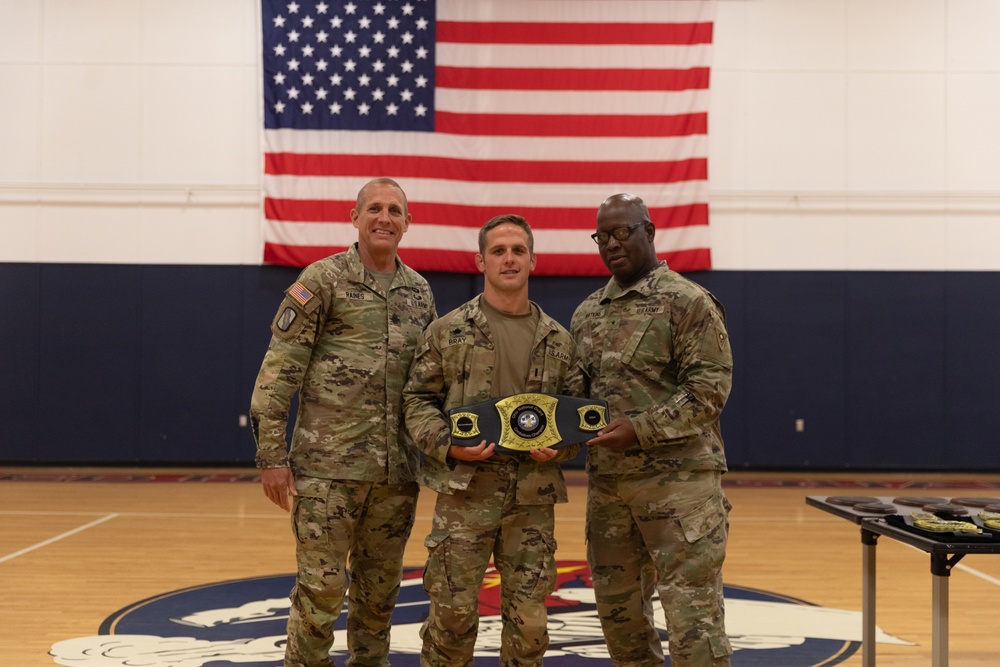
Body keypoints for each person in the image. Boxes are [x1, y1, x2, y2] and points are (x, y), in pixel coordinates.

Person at [249, 177, 437, 667]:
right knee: (322, 592)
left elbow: (431, 382)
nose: (385, 218)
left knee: (379, 598)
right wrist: (272, 458)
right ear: (354, 218)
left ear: (407, 224)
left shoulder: (419, 292)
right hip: (328, 471)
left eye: (395, 211)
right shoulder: (321, 279)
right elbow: (277, 373)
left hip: (396, 476)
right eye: (374, 208)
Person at [402, 214, 580, 667]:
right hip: (466, 494)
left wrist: (561, 447)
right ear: (481, 260)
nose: (509, 258)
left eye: (518, 250)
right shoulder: (447, 331)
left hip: (532, 498)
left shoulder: (559, 341)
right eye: (499, 250)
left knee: (530, 626)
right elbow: (416, 400)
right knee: (451, 620)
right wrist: (446, 443)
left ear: (533, 260)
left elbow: (578, 417)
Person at [570, 193, 734, 667]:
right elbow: (577, 403)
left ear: (649, 231)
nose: (612, 243)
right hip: (609, 491)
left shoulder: (688, 302)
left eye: (623, 231)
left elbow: (708, 391)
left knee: (694, 626)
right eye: (603, 235)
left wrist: (638, 429)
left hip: (681, 490)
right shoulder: (588, 313)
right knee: (620, 622)